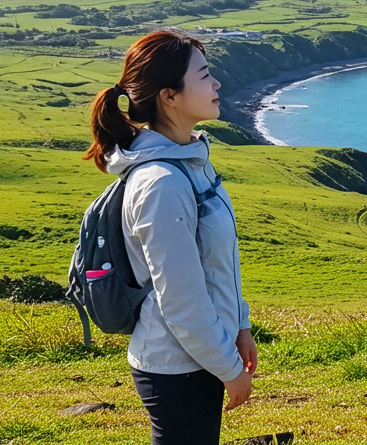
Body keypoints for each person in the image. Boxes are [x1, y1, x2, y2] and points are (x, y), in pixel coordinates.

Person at [83, 30, 255, 444]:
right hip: (177, 365)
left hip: (201, 355)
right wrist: (229, 370)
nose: (216, 85)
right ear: (169, 96)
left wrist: (241, 325)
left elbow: (215, 264)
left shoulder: (190, 162)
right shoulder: (163, 183)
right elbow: (179, 298)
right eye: (205, 76)